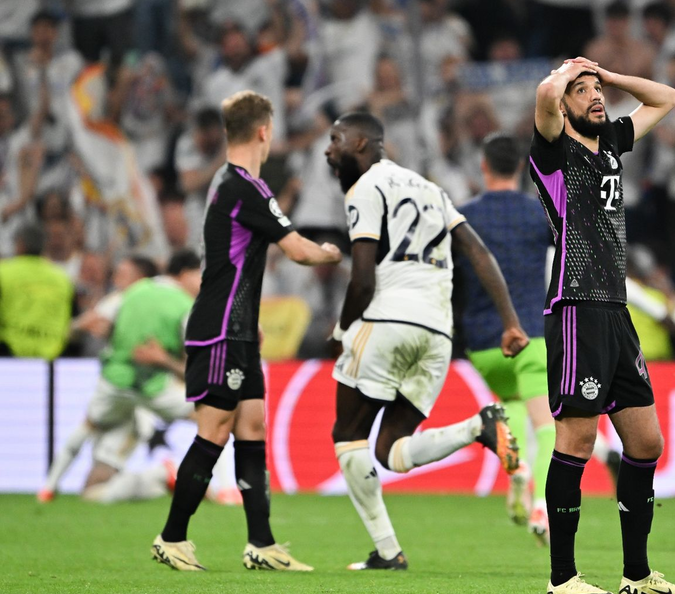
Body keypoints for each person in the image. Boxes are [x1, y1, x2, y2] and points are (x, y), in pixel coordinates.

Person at [324, 112, 528, 572]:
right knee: (391, 450)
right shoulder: (432, 190)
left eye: (336, 139)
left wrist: (341, 331)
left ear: (362, 144)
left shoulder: (366, 188)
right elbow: (478, 251)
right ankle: (478, 427)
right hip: (437, 331)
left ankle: (388, 551)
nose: (328, 150)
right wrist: (510, 322)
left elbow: (362, 279)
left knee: (348, 437)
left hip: (389, 318)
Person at [152, 91, 342, 572]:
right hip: (221, 330)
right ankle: (172, 537)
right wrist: (334, 251)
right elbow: (298, 250)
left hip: (236, 329)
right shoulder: (246, 188)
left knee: (251, 426)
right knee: (214, 430)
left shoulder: (226, 181)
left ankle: (262, 543)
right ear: (264, 131)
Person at [530, 57, 675, 594]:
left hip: (616, 311)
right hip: (575, 308)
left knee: (646, 443)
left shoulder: (614, 143)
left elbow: (664, 97)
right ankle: (563, 579)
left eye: (597, 89)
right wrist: (560, 76)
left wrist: (610, 78)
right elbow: (544, 102)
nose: (595, 96)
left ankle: (637, 576)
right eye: (582, 91)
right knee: (575, 440)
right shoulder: (553, 152)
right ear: (563, 104)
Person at [41, 251, 229, 505]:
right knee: (214, 418)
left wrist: (84, 329)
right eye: (200, 276)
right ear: (185, 274)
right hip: (154, 388)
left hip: (114, 386)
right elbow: (199, 369)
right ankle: (221, 488)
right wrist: (164, 360)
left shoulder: (129, 293)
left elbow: (92, 323)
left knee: (87, 431)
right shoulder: (187, 306)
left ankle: (48, 487)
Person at [456, 133, 556, 543]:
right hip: (532, 332)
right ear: (520, 167)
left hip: (482, 340)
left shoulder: (462, 216)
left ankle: (519, 470)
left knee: (509, 404)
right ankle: (544, 507)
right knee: (547, 424)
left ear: (483, 166)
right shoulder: (539, 215)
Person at [0, 225, 73, 360]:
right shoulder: (62, 278)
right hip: (51, 355)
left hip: (9, 355)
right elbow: (68, 318)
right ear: (44, 247)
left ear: (20, 244)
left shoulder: (4, 272)